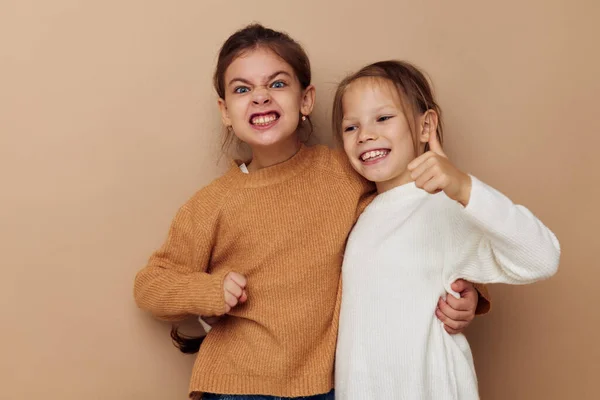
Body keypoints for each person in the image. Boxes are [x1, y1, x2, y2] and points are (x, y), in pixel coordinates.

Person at [133, 25, 490, 400]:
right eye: (242, 89)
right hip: (238, 385)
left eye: (276, 84)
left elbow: (419, 218)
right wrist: (208, 291)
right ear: (225, 111)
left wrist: (468, 292)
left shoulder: (345, 172)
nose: (259, 97)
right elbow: (150, 286)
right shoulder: (212, 203)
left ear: (306, 100)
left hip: (328, 385)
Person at [332, 60, 560, 399]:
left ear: (426, 127)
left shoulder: (444, 205)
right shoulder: (363, 212)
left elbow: (542, 257)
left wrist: (465, 188)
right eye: (351, 127)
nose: (365, 134)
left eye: (383, 118)